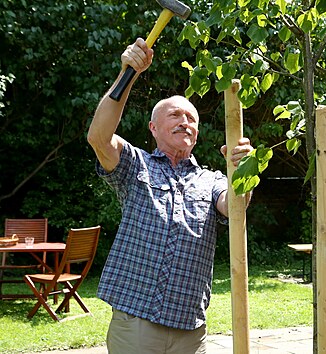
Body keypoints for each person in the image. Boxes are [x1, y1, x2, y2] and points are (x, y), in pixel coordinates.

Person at [87, 38, 254, 354]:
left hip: (190, 331)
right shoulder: (136, 166)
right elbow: (99, 137)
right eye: (176, 115)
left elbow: (235, 207)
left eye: (191, 119)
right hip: (136, 325)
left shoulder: (212, 180)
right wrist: (129, 73)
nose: (185, 122)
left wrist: (244, 171)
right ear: (153, 127)